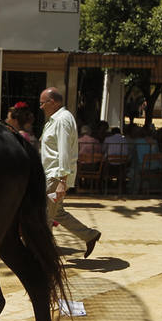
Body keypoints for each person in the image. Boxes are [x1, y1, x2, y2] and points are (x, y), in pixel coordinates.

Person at [39, 87, 101, 258]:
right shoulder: (56, 119)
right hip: (51, 175)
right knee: (56, 213)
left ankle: (43, 253)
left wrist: (62, 181)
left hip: (55, 176)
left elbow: (64, 151)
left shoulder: (62, 120)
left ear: (53, 102)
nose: (41, 107)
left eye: (42, 103)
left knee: (45, 216)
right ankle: (89, 235)